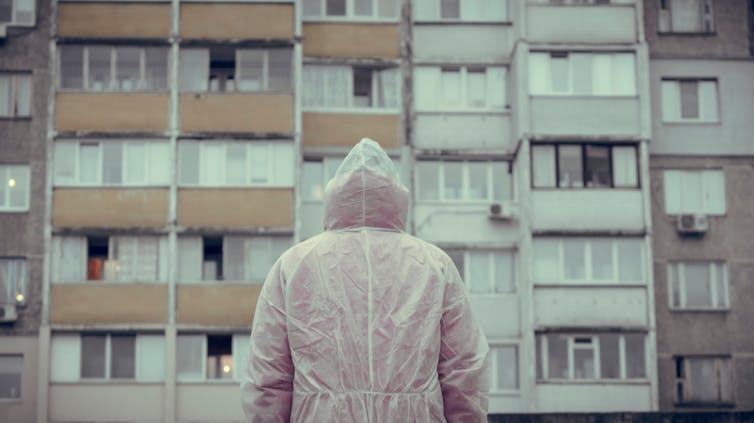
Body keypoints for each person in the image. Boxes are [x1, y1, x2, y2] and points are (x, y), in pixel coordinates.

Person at [241, 138, 489, 422]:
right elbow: (464, 370)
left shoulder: (293, 265)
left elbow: (268, 378)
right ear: (396, 197)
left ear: (335, 197)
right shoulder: (434, 265)